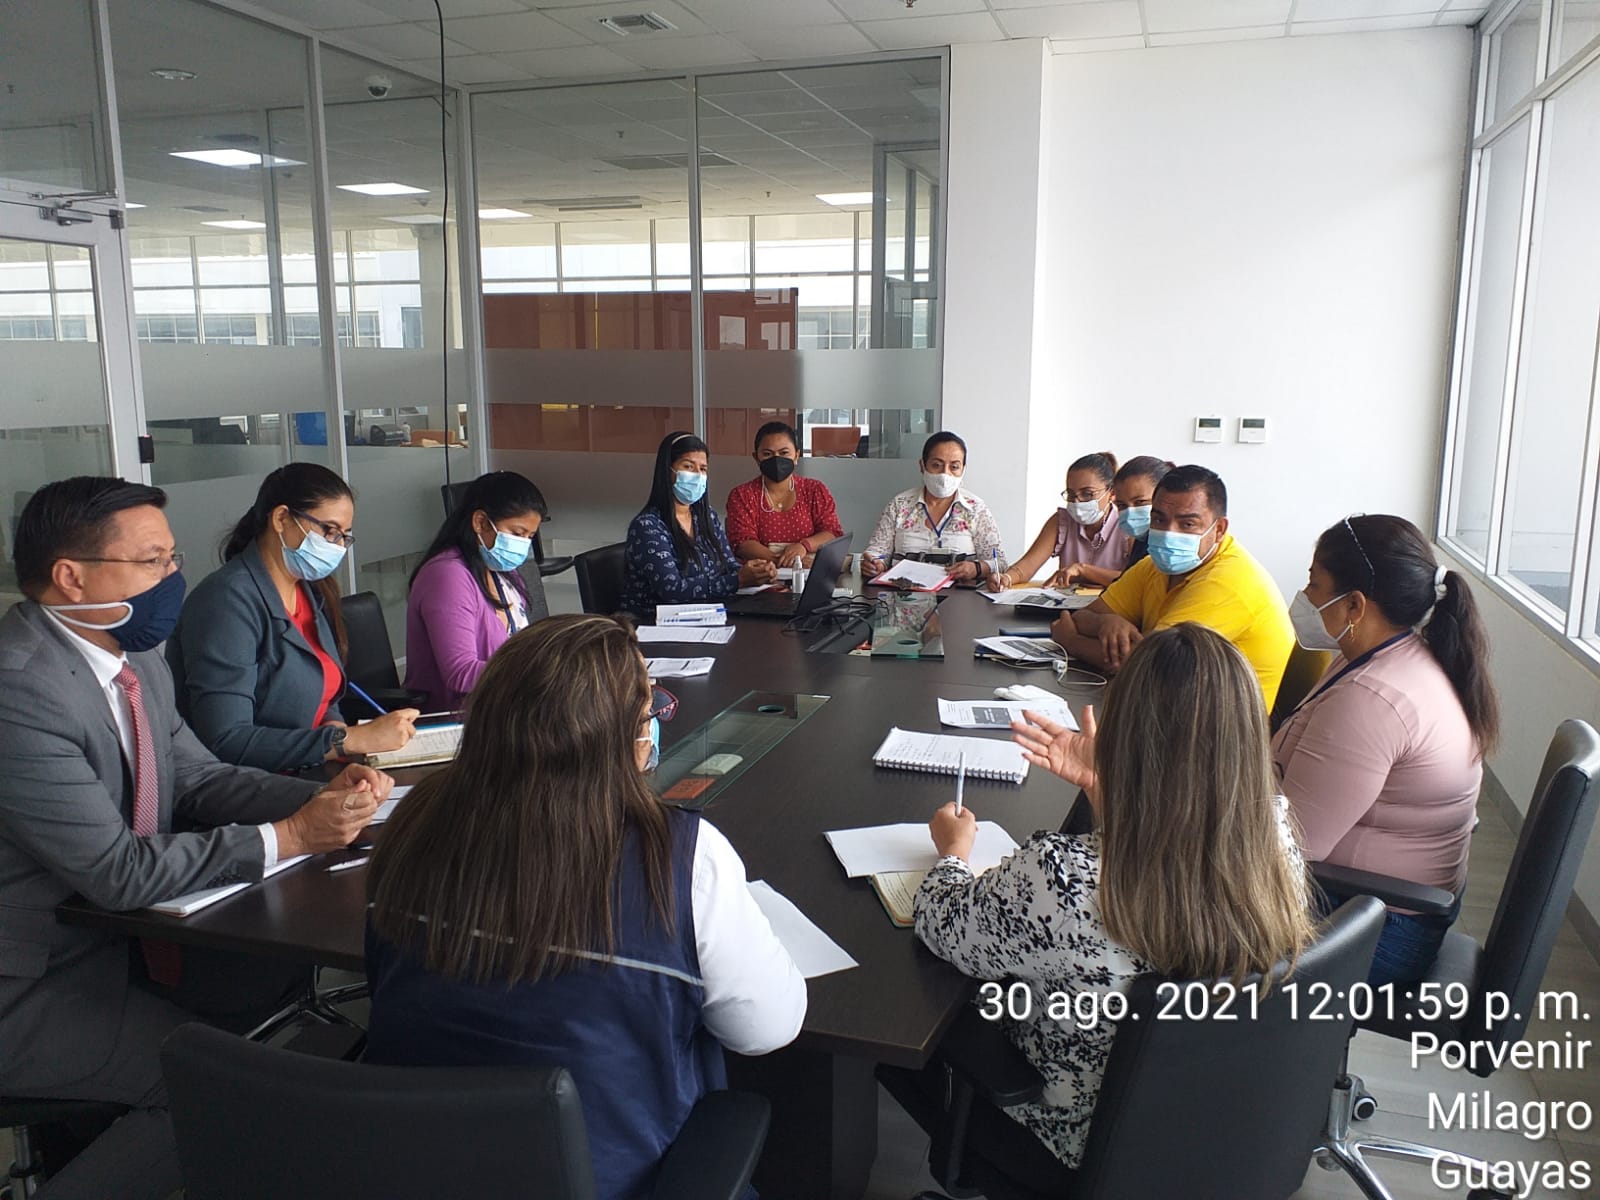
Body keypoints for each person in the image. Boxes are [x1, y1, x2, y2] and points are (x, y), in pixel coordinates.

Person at [0, 476, 390, 1200]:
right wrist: (291, 835)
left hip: (110, 943)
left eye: (172, 558)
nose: (173, 578)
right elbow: (117, 871)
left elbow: (198, 776)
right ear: (71, 577)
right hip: (28, 979)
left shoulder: (132, 656)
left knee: (253, 1018)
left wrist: (325, 798)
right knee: (221, 1088)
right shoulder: (19, 689)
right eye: (152, 562)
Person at [364, 614, 806, 1199]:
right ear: (617, 738)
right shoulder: (683, 858)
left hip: (416, 1169)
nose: (653, 727)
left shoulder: (412, 822)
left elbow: (382, 984)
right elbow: (767, 1029)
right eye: (648, 714)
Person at [913, 624, 1313, 1184]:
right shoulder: (1276, 836)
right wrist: (1106, 791)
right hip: (1213, 1122)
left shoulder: (1066, 880)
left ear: (1124, 728)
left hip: (1073, 1141)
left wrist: (953, 852)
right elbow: (1168, 861)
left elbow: (941, 922)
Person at [1274, 515, 1499, 987]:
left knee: (1162, 906)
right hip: (1379, 907)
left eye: (1314, 584)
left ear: (1354, 604)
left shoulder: (1373, 698)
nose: (1305, 597)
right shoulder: (1392, 656)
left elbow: (1289, 846)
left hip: (1368, 927)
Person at [168, 464, 417, 772]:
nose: (338, 546)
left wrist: (337, 732)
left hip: (309, 768)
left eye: (344, 536)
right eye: (329, 531)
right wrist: (347, 740)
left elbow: (324, 696)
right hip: (249, 785)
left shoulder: (308, 590)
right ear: (281, 518)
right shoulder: (226, 602)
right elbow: (226, 739)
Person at [1048, 464, 1294, 706]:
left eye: (1187, 524)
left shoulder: (1228, 581)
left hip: (1223, 722)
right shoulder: (1154, 566)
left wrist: (1072, 642)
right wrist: (1106, 622)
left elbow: (1147, 666)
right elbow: (1081, 617)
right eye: (1159, 519)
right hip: (1171, 703)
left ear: (1219, 529)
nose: (1168, 533)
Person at [405, 470, 547, 711]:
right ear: (480, 522)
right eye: (517, 533)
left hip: (506, 707)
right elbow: (460, 674)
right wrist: (541, 670)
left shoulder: (503, 572)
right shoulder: (447, 576)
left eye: (529, 537)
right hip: (462, 716)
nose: (523, 544)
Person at [620, 432, 776, 617]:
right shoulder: (648, 526)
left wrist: (756, 572)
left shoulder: (706, 516)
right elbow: (672, 590)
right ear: (667, 470)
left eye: (703, 469)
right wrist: (737, 581)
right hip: (656, 622)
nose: (697, 475)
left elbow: (729, 566)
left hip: (706, 614)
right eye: (688, 466)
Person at [861, 432, 1006, 584]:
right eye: (937, 465)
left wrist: (976, 568)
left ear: (963, 470)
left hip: (959, 594)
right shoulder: (899, 505)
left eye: (954, 467)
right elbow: (877, 552)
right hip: (904, 592)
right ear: (922, 466)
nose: (945, 474)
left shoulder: (975, 509)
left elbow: (1000, 563)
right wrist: (875, 564)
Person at [990, 452, 1126, 592]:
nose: (1077, 502)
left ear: (1112, 493)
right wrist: (1006, 578)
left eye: (1087, 494)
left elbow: (1132, 580)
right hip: (1067, 602)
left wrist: (1082, 570)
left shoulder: (1127, 526)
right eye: (1071, 494)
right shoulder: (1062, 521)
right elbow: (1026, 567)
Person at [724, 421, 844, 567]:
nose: (776, 459)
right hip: (761, 573)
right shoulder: (742, 495)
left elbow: (832, 532)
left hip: (809, 573)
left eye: (784, 453)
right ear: (756, 458)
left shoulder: (814, 490)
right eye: (767, 454)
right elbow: (742, 542)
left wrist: (804, 546)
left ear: (797, 455)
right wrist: (786, 562)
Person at [1110, 455, 1172, 569]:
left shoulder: (1172, 549)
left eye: (1140, 502)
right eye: (1121, 505)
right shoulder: (1144, 539)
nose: (1130, 513)